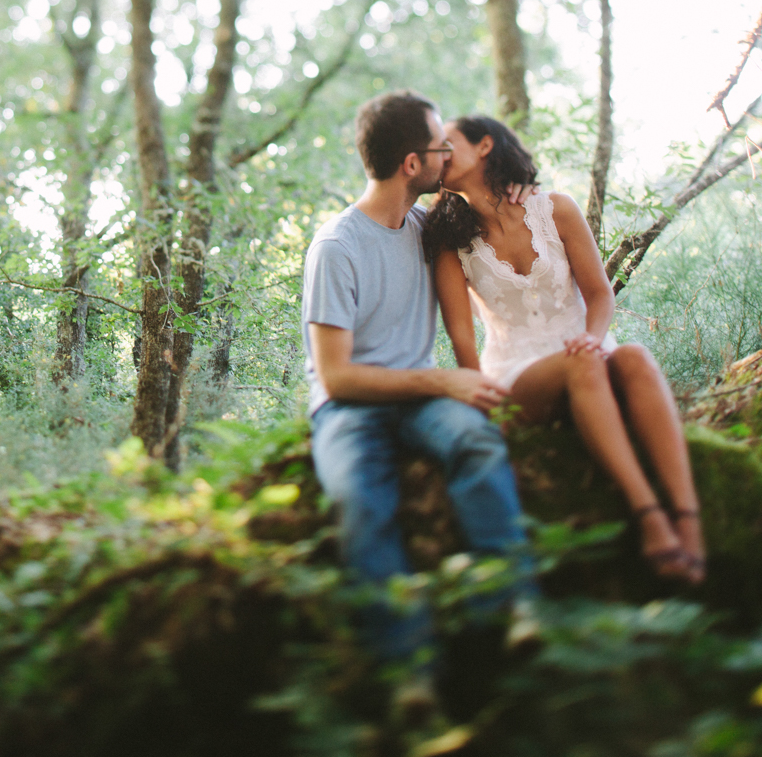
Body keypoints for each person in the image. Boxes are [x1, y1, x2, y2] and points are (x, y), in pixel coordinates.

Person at [301, 90, 533, 680]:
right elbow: (337, 376)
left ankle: (509, 604)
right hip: (350, 407)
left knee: (476, 443)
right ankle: (407, 672)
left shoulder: (428, 226)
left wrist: (518, 192)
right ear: (412, 165)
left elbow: (500, 219)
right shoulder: (336, 247)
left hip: (420, 400)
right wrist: (442, 379)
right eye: (438, 148)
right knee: (358, 500)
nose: (445, 158)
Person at [423, 114, 706, 583]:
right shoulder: (450, 240)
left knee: (633, 356)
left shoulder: (555, 209)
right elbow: (460, 336)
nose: (441, 157)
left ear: (486, 145)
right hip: (517, 371)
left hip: (584, 346)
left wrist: (593, 340)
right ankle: (649, 515)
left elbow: (599, 294)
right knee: (583, 366)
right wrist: (481, 412)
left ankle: (689, 518)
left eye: (448, 144)